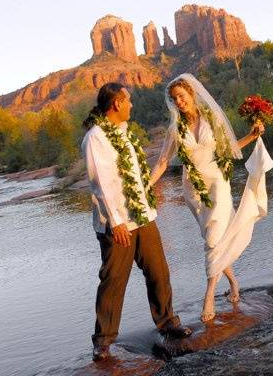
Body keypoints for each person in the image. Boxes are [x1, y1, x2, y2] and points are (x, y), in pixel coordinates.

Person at [149, 73, 273, 322]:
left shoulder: (212, 120)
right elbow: (163, 161)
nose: (179, 103)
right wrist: (146, 186)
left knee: (215, 238)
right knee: (213, 241)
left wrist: (253, 136)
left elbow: (228, 150)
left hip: (218, 183)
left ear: (192, 94)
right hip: (193, 189)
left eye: (181, 97)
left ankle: (209, 296)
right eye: (174, 99)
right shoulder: (175, 130)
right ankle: (234, 282)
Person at [81, 82, 191, 362]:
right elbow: (102, 183)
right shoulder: (96, 137)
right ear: (117, 103)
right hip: (116, 223)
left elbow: (133, 175)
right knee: (114, 280)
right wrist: (117, 222)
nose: (131, 105)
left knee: (158, 270)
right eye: (128, 100)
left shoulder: (124, 133)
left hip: (142, 216)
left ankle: (167, 323)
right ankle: (103, 341)